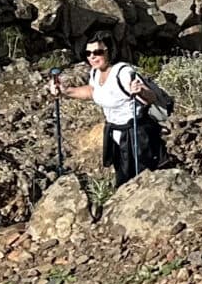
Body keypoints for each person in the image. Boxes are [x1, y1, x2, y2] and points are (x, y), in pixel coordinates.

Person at [54, 31, 171, 183]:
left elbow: (151, 97)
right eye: (88, 53)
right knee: (124, 181)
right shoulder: (95, 73)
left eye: (97, 52)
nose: (92, 57)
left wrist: (140, 90)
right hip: (116, 136)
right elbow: (92, 91)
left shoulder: (123, 72)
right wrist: (65, 91)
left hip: (138, 137)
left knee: (143, 182)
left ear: (109, 51)